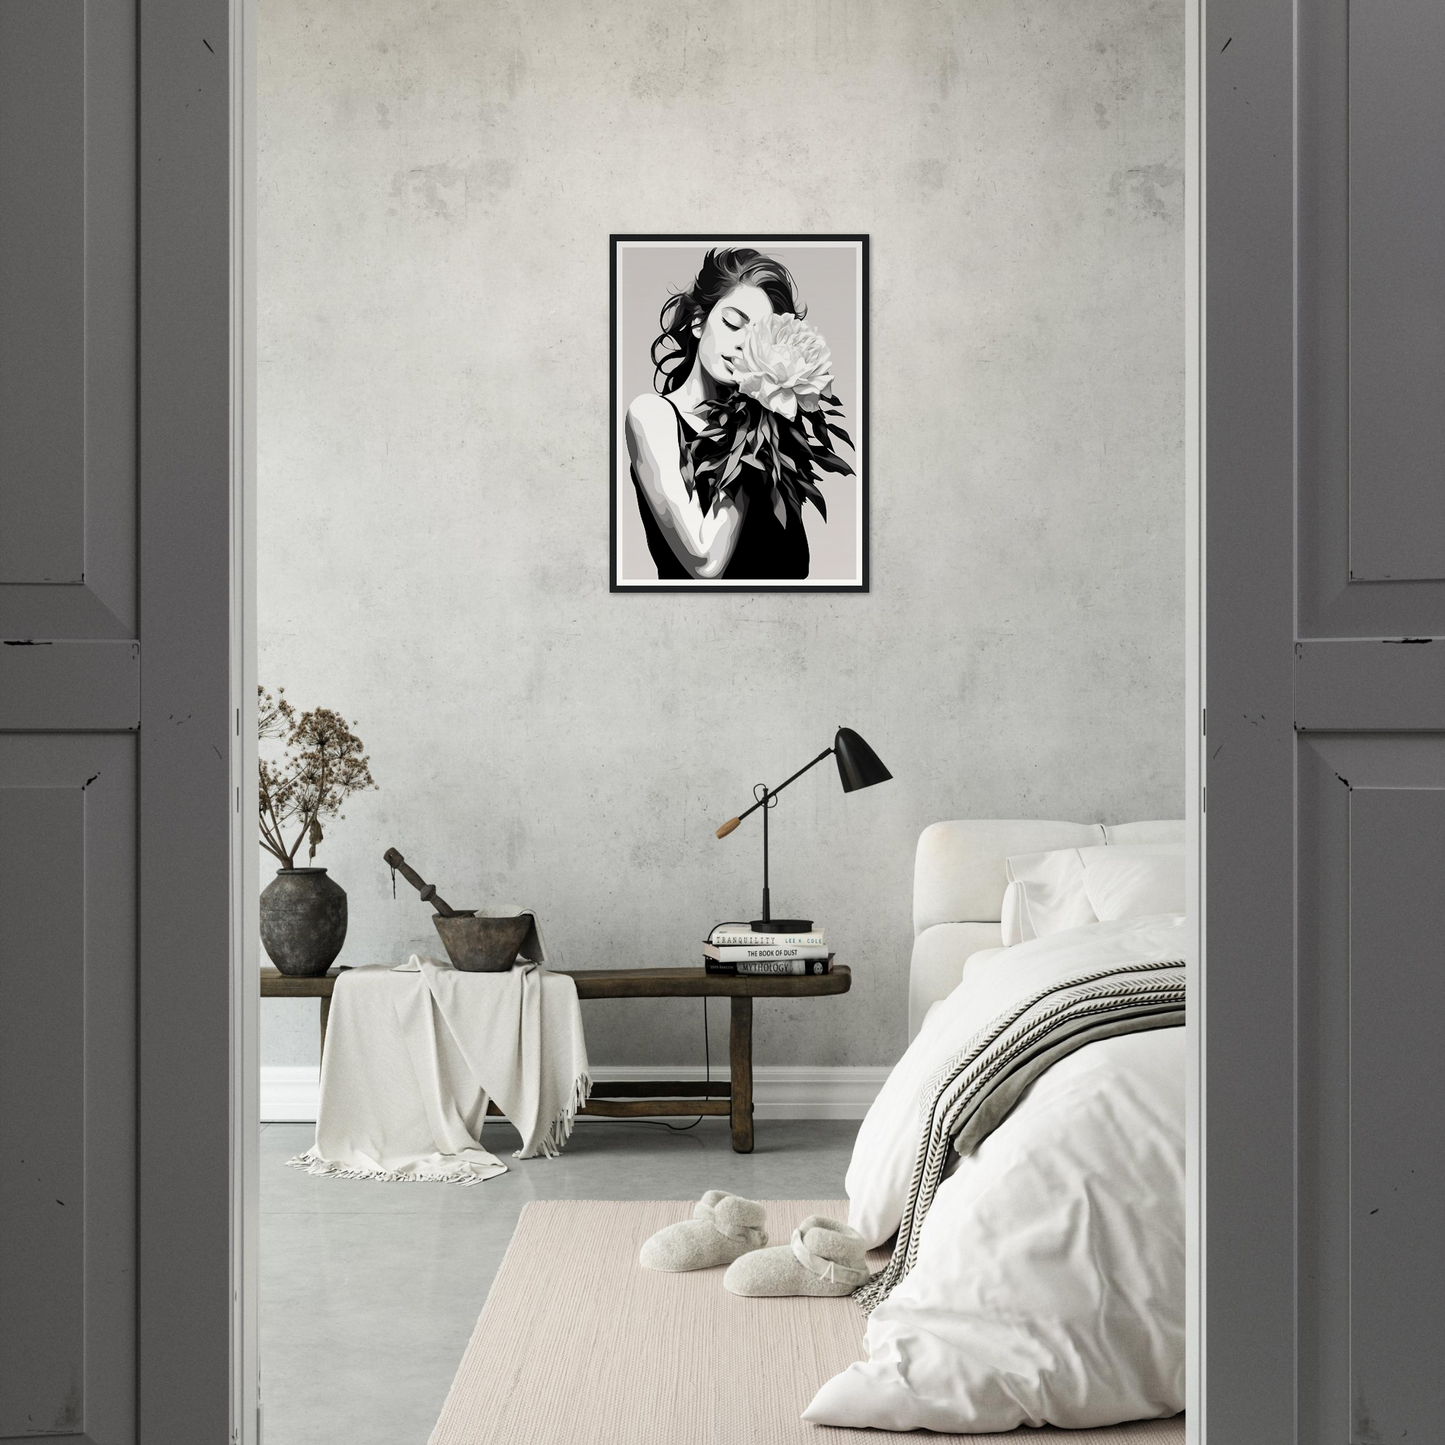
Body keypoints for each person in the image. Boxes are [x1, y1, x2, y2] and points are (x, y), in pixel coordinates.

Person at [625, 248, 813, 580]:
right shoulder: (652, 415)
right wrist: (747, 431)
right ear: (699, 321)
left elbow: (795, 563)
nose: (744, 345)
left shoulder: (772, 428)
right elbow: (705, 562)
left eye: (759, 337)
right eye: (732, 324)